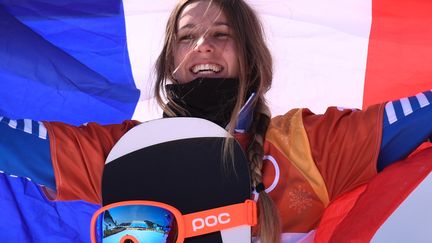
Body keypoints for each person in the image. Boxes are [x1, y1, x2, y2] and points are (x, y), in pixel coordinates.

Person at [1, 0, 432, 242]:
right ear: (171, 62)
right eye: (186, 37)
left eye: (221, 35)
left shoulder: (310, 144)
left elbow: (417, 117)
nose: (203, 46)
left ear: (252, 56)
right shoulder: (128, 152)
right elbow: (14, 144)